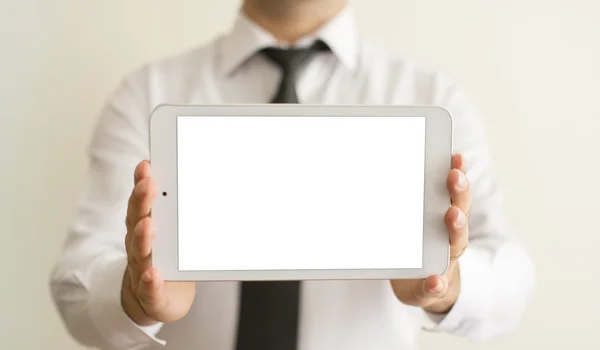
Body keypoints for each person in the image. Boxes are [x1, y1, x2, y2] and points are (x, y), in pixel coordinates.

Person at [49, 0, 535, 349]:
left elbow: (511, 280)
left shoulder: (434, 99)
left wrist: (449, 285)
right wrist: (136, 295)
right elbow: (75, 284)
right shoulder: (147, 94)